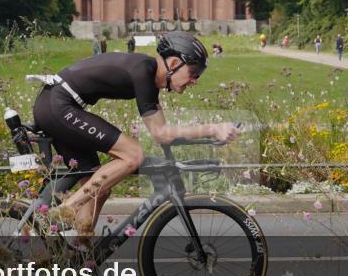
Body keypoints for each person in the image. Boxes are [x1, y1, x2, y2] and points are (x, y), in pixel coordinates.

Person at [33, 31, 239, 246]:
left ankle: (79, 253)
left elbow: (164, 134)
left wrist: (208, 135)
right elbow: (161, 133)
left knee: (99, 189)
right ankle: (67, 208)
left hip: (58, 105)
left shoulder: (148, 77)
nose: (194, 80)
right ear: (174, 63)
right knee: (134, 155)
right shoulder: (143, 72)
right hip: (58, 105)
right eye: (193, 72)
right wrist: (213, 128)